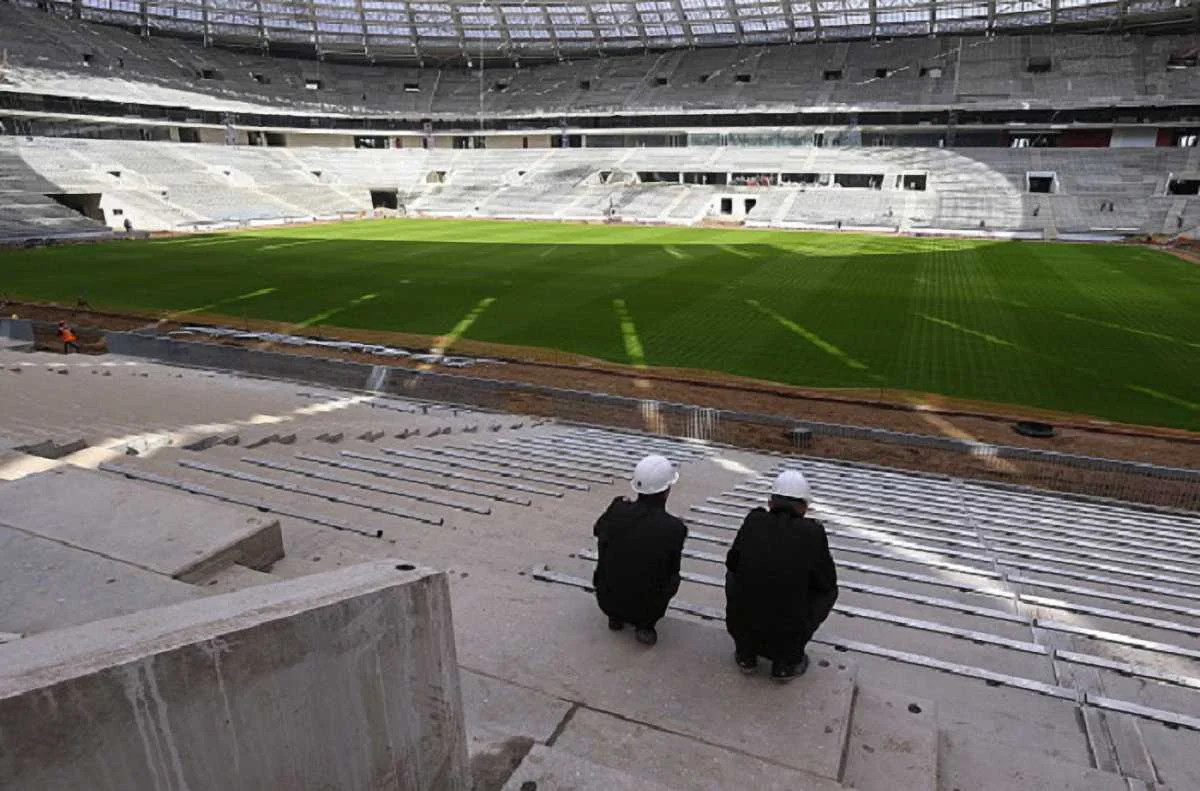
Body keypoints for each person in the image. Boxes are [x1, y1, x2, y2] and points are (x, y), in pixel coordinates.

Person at [725, 469, 838, 683]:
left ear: (770, 502)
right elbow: (826, 584)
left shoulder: (753, 520)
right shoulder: (813, 533)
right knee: (827, 591)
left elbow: (732, 563)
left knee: (734, 574)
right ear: (804, 506)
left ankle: (746, 653)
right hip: (788, 632)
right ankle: (786, 662)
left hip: (744, 626)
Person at [592, 454, 688, 646]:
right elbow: (671, 570)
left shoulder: (617, 509)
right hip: (646, 609)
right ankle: (645, 626)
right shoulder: (674, 529)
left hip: (606, 599)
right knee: (672, 577)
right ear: (667, 490)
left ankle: (616, 617)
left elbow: (597, 530)